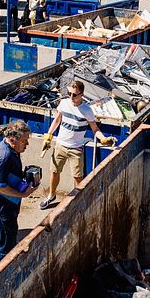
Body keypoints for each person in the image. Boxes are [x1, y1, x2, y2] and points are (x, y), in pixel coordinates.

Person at [38, 80, 117, 210]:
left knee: (78, 177)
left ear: (81, 94)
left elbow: (95, 129)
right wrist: (49, 135)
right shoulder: (63, 104)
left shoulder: (87, 110)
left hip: (76, 148)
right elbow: (57, 120)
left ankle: (78, 200)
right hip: (60, 145)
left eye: (74, 95)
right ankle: (51, 196)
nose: (71, 97)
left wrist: (103, 139)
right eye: (69, 93)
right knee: (54, 171)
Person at [0, 120, 36, 273]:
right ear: (12, 140)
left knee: (0, 237)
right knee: (8, 243)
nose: (27, 144)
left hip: (5, 206)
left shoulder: (12, 150)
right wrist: (23, 194)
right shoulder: (4, 157)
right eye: (24, 141)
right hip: (0, 210)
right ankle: (3, 274)